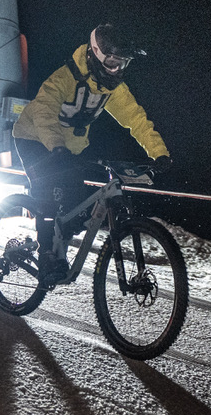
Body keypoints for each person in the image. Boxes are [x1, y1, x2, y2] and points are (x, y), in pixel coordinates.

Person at [11, 24, 171, 282]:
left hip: (69, 149)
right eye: (112, 62)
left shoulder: (111, 88)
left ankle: (59, 243)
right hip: (34, 138)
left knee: (77, 203)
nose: (117, 69)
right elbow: (44, 112)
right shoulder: (64, 78)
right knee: (46, 193)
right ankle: (46, 255)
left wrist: (159, 152)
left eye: (123, 63)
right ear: (95, 54)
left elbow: (136, 118)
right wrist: (56, 146)